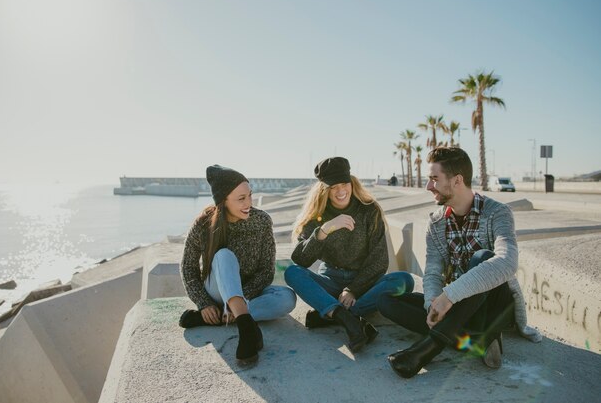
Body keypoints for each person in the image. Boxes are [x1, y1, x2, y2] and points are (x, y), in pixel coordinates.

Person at [377, 147, 541, 378]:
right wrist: (432, 305)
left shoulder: (498, 213)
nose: (428, 186)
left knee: (483, 257)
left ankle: (427, 349)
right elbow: (433, 272)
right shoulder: (435, 223)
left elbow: (507, 262)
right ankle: (478, 343)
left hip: (492, 305)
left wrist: (449, 296)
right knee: (385, 301)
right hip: (454, 308)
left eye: (434, 179)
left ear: (457, 180)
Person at [284, 157, 414, 353]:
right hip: (330, 280)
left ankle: (332, 313)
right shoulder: (317, 215)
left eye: (344, 184)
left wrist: (352, 289)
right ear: (324, 189)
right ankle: (346, 317)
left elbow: (379, 261)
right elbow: (301, 259)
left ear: (352, 183)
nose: (340, 191)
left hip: (364, 283)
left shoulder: (369, 210)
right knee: (292, 273)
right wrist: (324, 230)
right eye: (333, 186)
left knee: (404, 280)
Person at [179, 165, 296, 365]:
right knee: (224, 255)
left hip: (249, 291)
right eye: (241, 198)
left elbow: (267, 271)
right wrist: (204, 302)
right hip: (216, 290)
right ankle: (246, 328)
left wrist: (241, 299)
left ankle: (219, 316)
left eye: (250, 195)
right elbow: (188, 267)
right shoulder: (204, 223)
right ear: (223, 201)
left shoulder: (261, 221)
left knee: (287, 298)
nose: (248, 203)